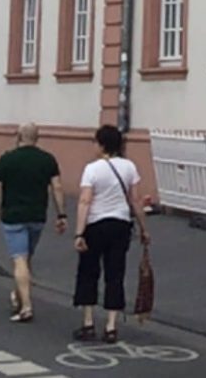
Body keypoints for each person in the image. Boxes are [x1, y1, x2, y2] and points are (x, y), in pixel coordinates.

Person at [72, 125, 150, 345]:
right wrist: (144, 228)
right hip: (120, 225)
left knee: (88, 271)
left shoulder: (92, 169)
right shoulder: (129, 167)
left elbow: (85, 201)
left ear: (102, 145)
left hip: (95, 224)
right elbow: (135, 200)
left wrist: (79, 233)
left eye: (95, 142)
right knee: (115, 273)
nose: (94, 146)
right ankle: (111, 326)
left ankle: (88, 322)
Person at [0, 122, 68, 323]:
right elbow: (57, 188)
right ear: (37, 137)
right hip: (37, 216)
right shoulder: (47, 159)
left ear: (19, 136)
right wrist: (61, 214)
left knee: (19, 259)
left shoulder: (7, 159)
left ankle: (26, 306)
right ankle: (18, 296)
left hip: (13, 216)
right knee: (26, 258)